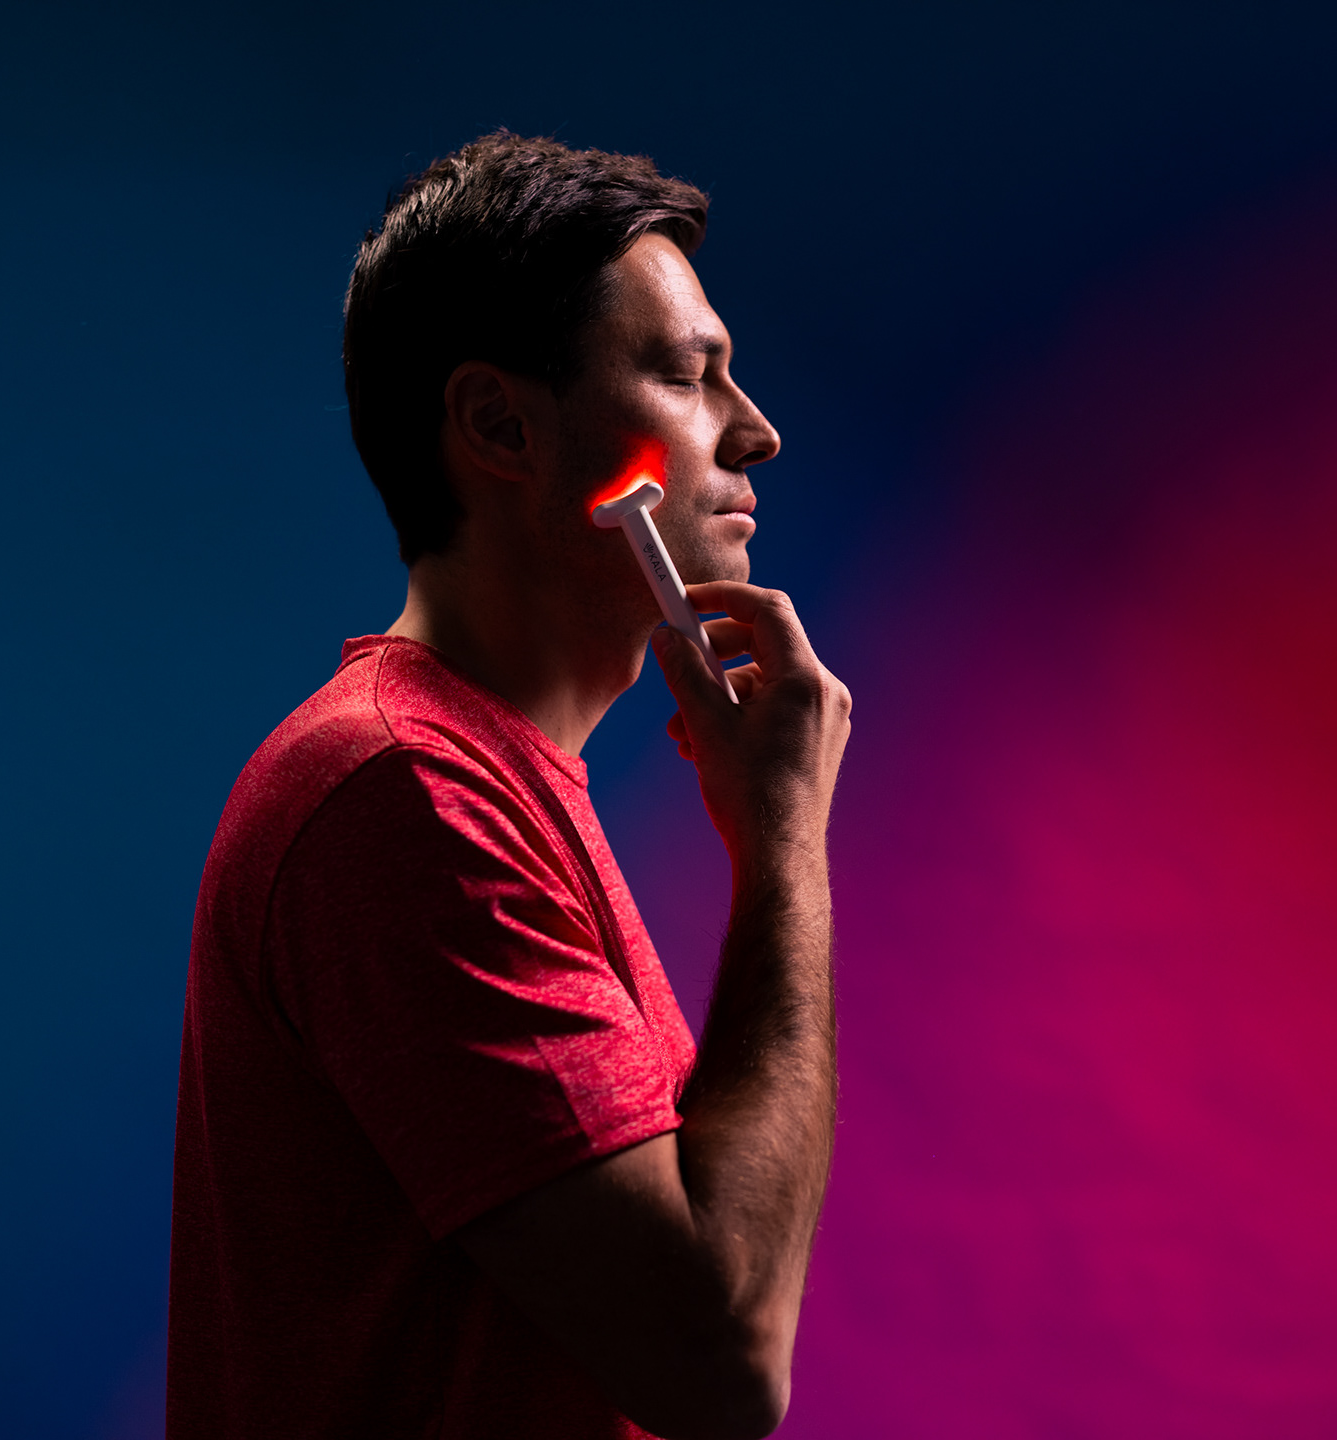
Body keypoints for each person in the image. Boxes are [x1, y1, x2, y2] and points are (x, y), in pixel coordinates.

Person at [167, 132, 850, 1440]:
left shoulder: (482, 779)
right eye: (687, 375)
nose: (754, 431)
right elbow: (719, 1362)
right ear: (497, 425)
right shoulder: (408, 797)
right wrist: (784, 848)